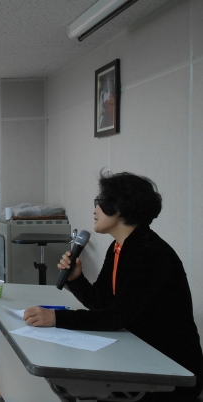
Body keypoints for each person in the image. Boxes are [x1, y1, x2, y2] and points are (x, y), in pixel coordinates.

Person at [23, 172, 203, 401]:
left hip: (170, 370)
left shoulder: (152, 253)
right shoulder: (119, 247)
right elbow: (102, 303)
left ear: (118, 207)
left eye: (99, 202)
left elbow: (117, 316)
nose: (95, 210)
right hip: (137, 353)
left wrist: (57, 318)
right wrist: (76, 280)